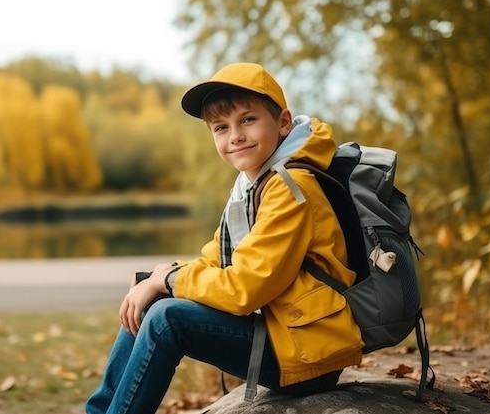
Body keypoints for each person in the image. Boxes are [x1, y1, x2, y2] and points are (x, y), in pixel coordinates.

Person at [84, 62, 364, 414]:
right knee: (149, 297)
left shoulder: (291, 188)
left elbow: (246, 289)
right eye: (221, 127)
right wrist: (159, 277)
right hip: (280, 332)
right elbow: (215, 261)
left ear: (282, 122)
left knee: (165, 318)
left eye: (248, 120)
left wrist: (168, 280)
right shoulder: (253, 185)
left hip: (308, 352)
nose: (235, 135)